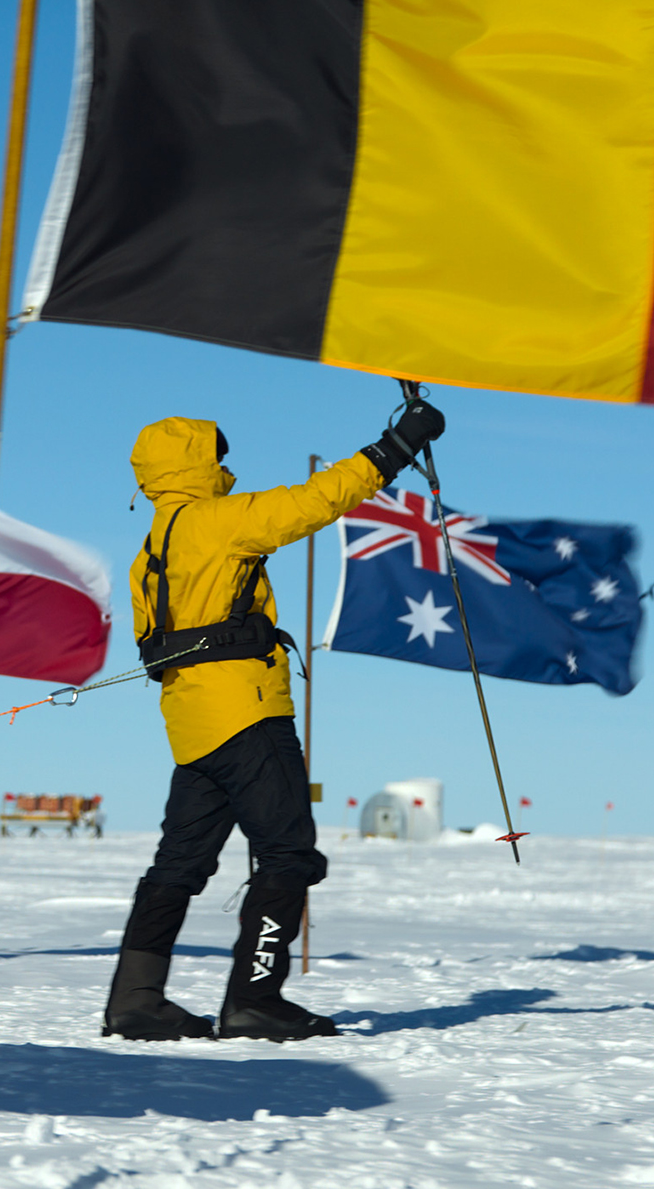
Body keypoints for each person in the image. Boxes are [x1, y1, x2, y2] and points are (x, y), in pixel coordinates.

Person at [106, 401, 444, 1042]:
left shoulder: (150, 549)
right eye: (219, 457)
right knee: (288, 854)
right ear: (198, 465)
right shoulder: (217, 521)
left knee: (177, 866)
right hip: (249, 715)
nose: (227, 466)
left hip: (194, 728)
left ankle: (135, 1000)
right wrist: (397, 445)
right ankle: (256, 998)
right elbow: (315, 501)